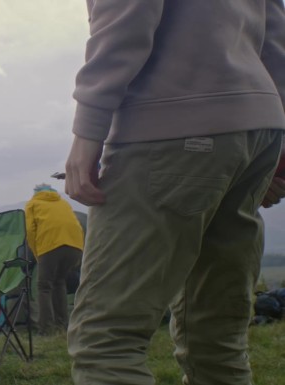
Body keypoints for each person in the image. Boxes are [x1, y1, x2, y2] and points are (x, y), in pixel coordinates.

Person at [63, 1, 285, 384]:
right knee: (217, 341)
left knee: (107, 341)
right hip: (256, 131)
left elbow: (124, 15)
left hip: (168, 125)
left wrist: (88, 130)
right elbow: (276, 30)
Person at [24, 183, 83, 335]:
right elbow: (76, 225)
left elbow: (30, 231)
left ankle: (46, 328)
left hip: (50, 245)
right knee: (59, 282)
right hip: (75, 246)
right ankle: (62, 325)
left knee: (44, 286)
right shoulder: (63, 203)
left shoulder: (33, 204)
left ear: (35, 193)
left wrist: (37, 254)